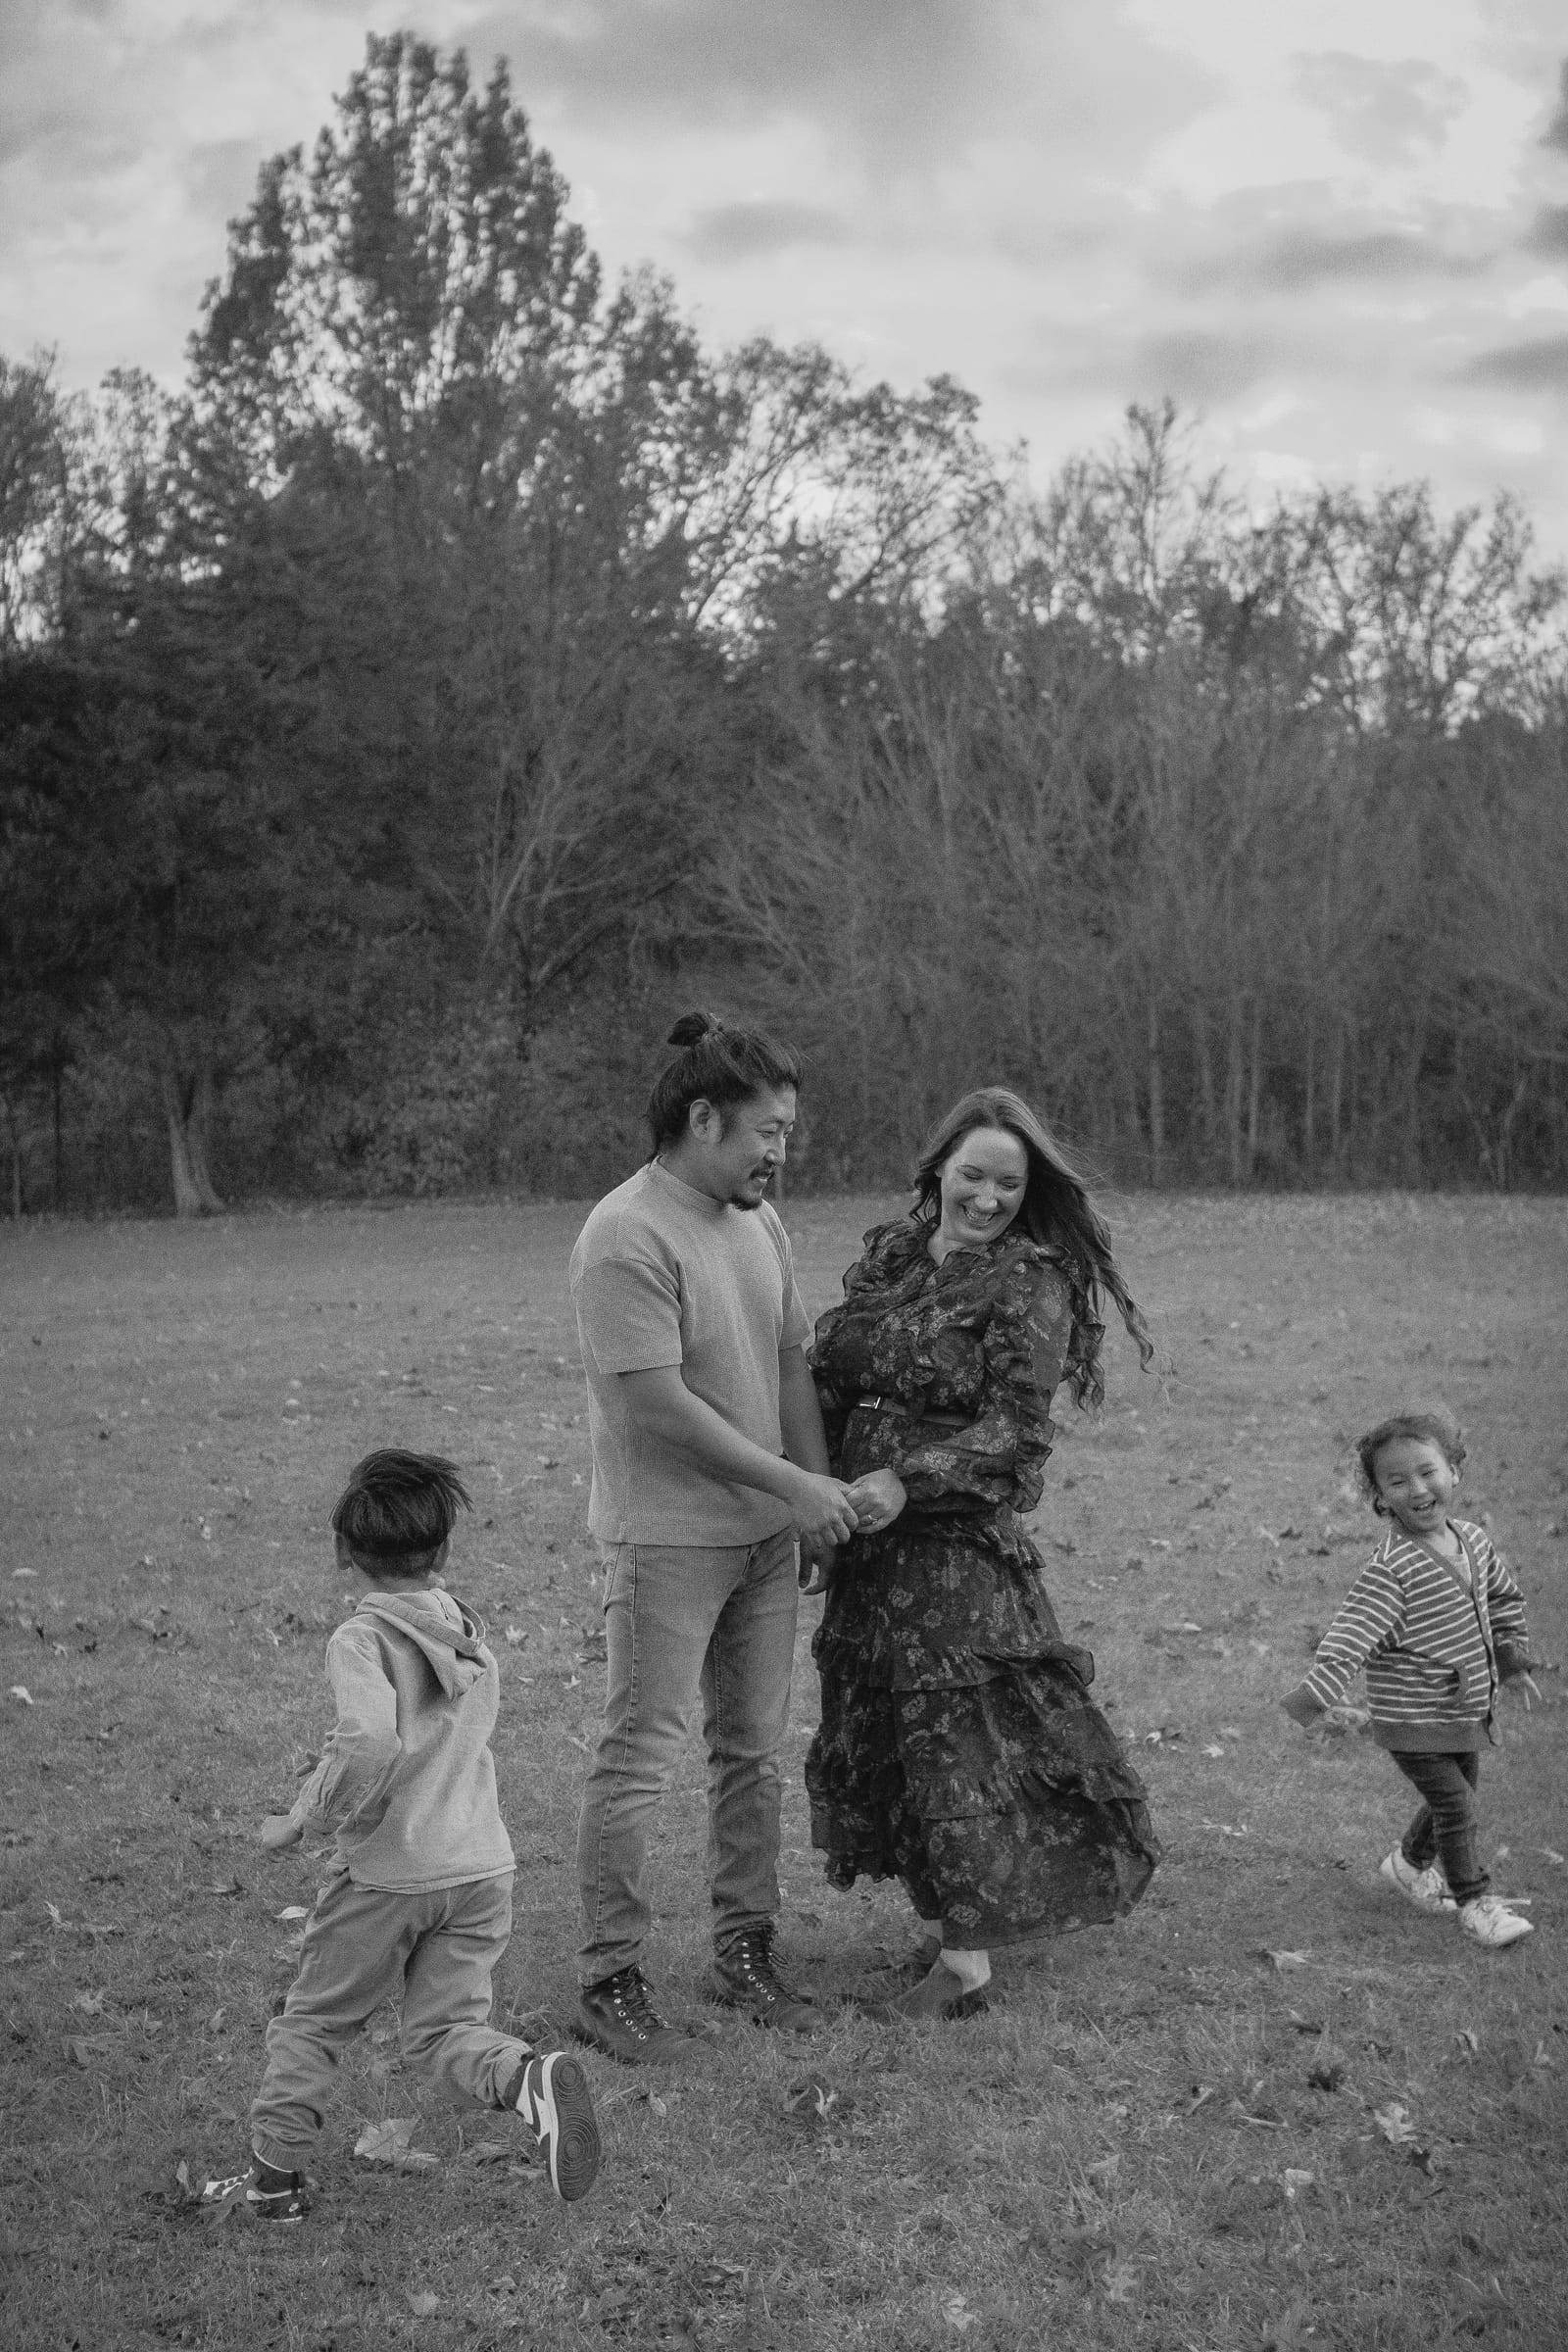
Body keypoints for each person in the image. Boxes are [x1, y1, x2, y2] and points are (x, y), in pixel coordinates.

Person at [805, 1086, 1160, 2022]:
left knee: (955, 1745)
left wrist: (907, 1480)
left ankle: (965, 1967)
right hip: (866, 1552)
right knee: (892, 1739)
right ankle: (951, 1922)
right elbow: (832, 1381)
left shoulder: (1028, 1278)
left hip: (951, 1554)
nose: (989, 1198)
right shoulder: (892, 1256)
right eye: (973, 1176)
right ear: (938, 1171)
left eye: (1010, 1184)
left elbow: (1017, 1430)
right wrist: (816, 1499)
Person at [204, 1450, 601, 2219]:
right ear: (444, 1550)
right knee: (446, 2030)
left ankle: (273, 2185)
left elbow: (369, 1742)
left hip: (389, 1876)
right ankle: (526, 2078)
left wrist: (306, 1816)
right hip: (481, 1868)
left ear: (342, 1551)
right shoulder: (468, 1635)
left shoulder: (360, 1639)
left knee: (315, 2021)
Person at [568, 1014, 858, 2064]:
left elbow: (788, 1363)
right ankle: (608, 1976)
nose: (781, 1152)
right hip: (668, 1543)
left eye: (788, 1132)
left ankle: (745, 1951)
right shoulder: (624, 1236)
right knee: (639, 1757)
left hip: (765, 1539)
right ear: (703, 1119)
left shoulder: (759, 1222)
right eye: (767, 1132)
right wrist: (794, 1487)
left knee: (751, 1753)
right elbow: (657, 1408)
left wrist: (811, 1496)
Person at [1282, 1408, 1540, 1950]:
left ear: (1454, 1472)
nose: (1417, 1489)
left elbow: (1501, 1600)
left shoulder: (1473, 1542)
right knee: (1458, 1805)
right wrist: (1314, 1698)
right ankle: (1475, 1902)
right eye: (1397, 1481)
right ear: (1380, 1497)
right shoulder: (1392, 1569)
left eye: (1427, 1472)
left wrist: (1512, 1661)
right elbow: (1353, 1634)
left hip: (1461, 1708)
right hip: (1412, 1717)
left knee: (1456, 1797)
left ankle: (1407, 1865)